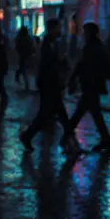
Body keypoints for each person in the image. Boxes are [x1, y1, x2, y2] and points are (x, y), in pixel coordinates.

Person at [65, 22, 110, 154]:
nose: (84, 35)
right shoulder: (96, 47)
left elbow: (84, 66)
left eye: (85, 32)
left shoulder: (92, 48)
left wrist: (72, 80)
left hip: (91, 85)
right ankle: (106, 141)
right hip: (91, 85)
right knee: (94, 115)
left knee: (82, 114)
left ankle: (65, 138)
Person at [19, 19, 73, 152]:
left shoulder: (52, 43)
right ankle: (68, 143)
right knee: (48, 115)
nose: (59, 30)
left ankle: (69, 142)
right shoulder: (47, 45)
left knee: (56, 115)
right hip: (49, 85)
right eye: (58, 28)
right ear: (52, 29)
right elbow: (48, 65)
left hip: (51, 85)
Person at [14, 26, 35, 90]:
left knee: (22, 68)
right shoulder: (28, 38)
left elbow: (17, 46)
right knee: (23, 69)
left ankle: (21, 80)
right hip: (27, 55)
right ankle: (26, 83)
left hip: (23, 55)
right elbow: (31, 46)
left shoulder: (20, 38)